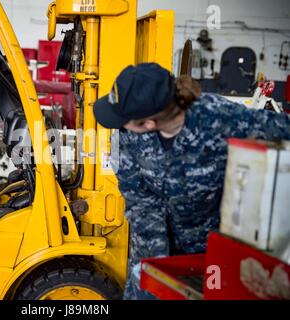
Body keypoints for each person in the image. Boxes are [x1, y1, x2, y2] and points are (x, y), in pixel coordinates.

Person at [93, 63, 290, 299]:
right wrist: (156, 265)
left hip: (210, 257)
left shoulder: (219, 119)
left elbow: (280, 129)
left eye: (123, 119)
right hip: (151, 248)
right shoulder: (128, 136)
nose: (118, 125)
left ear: (148, 124)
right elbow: (139, 198)